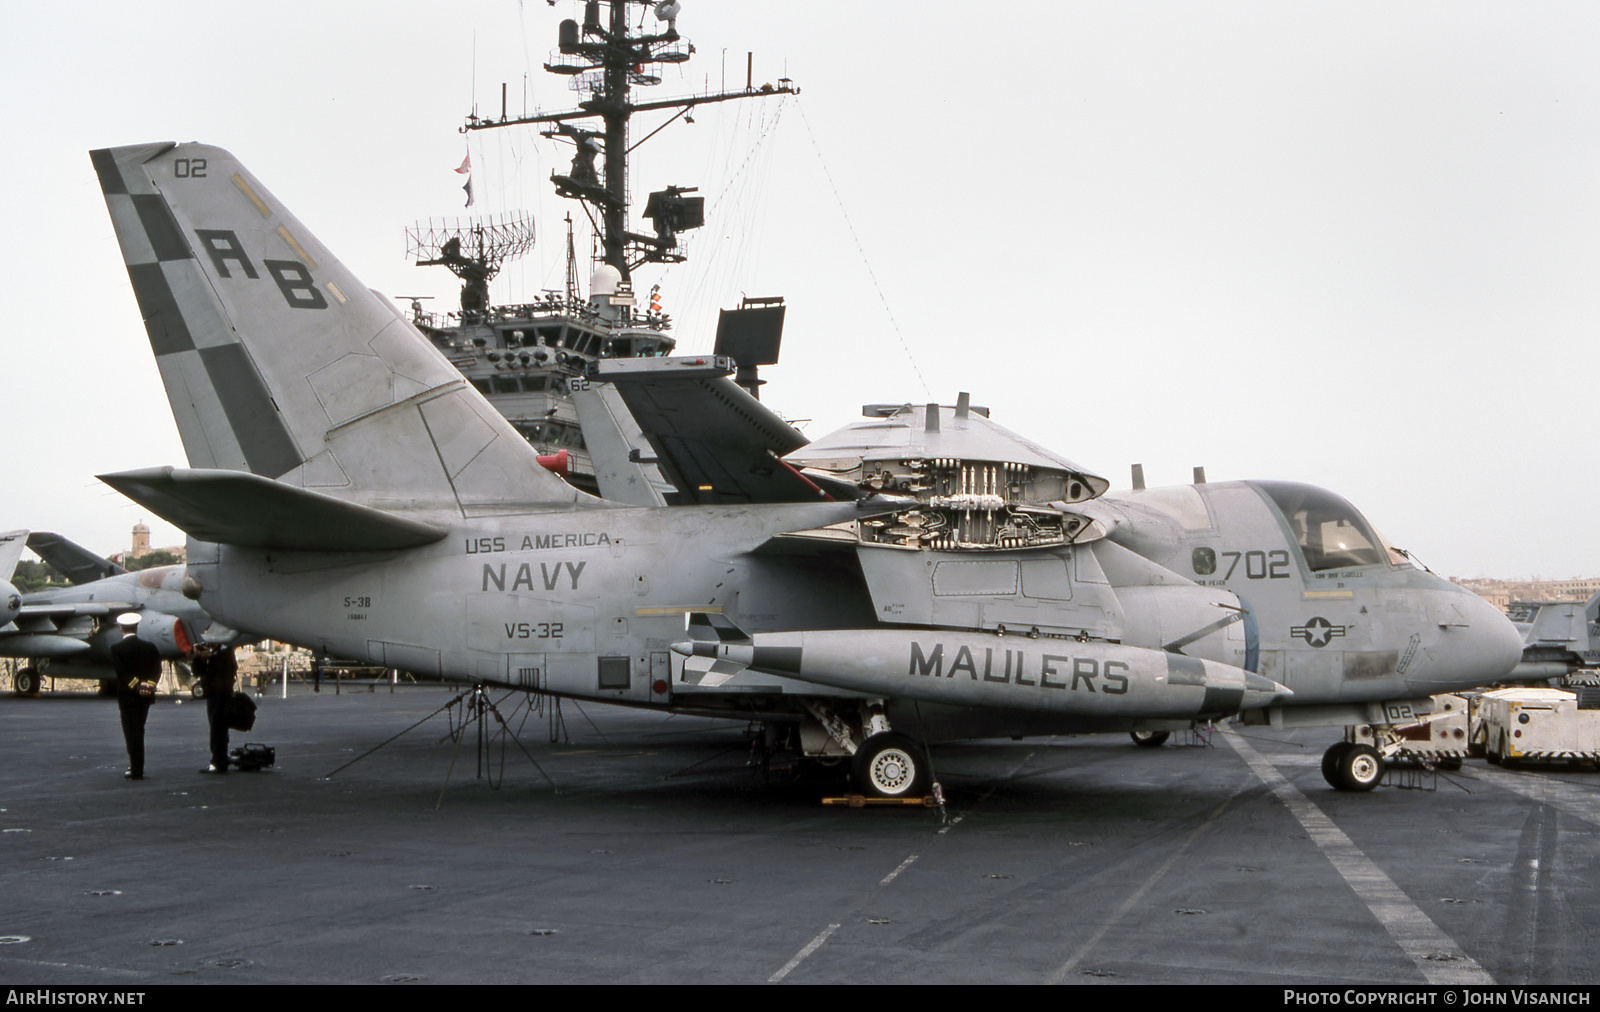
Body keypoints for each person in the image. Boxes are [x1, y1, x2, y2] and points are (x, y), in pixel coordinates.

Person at [109, 613, 161, 780]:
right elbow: (157, 670)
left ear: (121, 628)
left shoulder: (116, 649)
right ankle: (137, 767)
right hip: (145, 697)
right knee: (140, 729)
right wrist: (149, 685)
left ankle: (135, 768)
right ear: (137, 627)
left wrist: (137, 686)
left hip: (128, 697)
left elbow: (122, 674)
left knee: (131, 732)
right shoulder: (150, 647)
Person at [193, 644, 238, 774]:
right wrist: (199, 657)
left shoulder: (225, 653)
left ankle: (218, 760)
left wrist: (210, 658)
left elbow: (225, 672)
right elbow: (198, 672)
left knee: (217, 727)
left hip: (221, 694)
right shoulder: (218, 654)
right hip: (213, 694)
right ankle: (220, 757)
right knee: (217, 727)